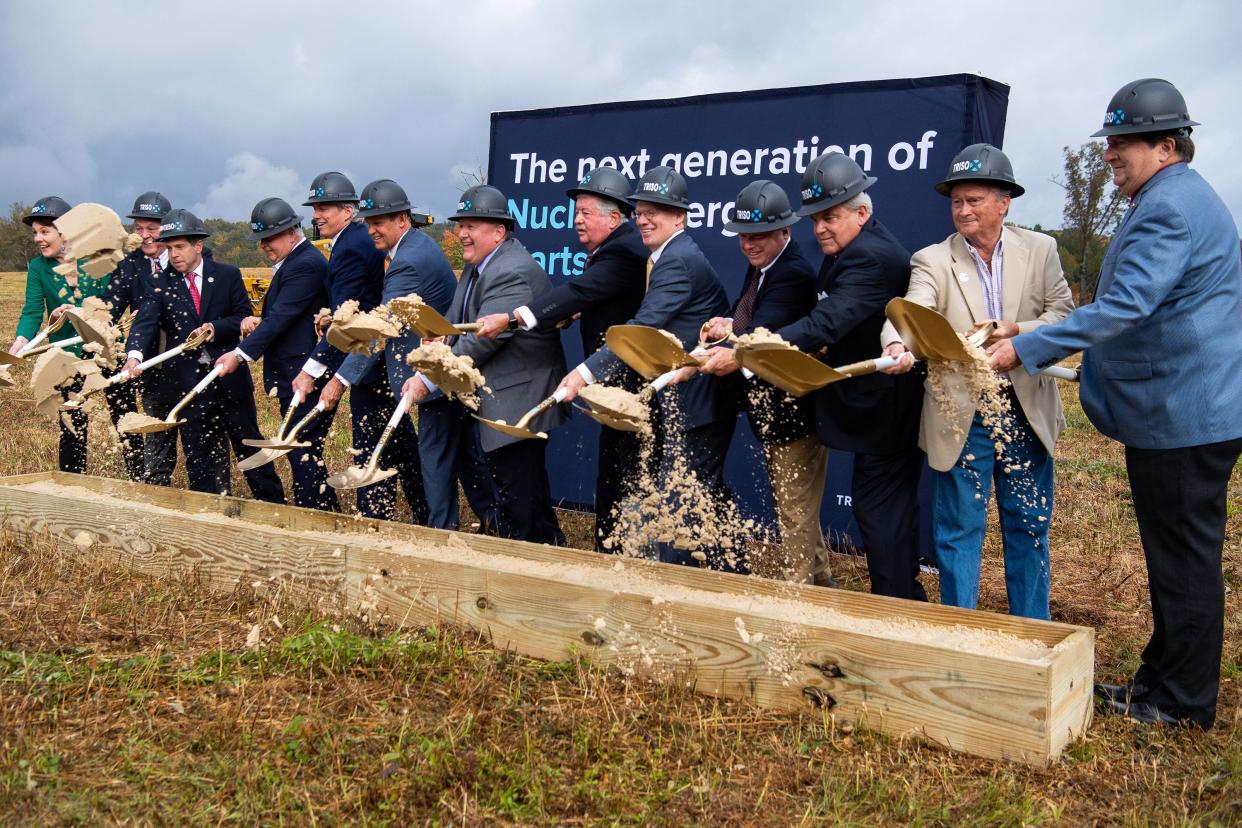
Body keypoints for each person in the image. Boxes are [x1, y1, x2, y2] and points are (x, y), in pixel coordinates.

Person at [992, 79, 1242, 727]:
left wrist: (1029, 350)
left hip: (1184, 415)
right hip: (1187, 409)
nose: (1109, 154)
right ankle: (1159, 684)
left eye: (1123, 142)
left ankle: (1183, 704)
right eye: (1109, 142)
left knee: (1184, 562)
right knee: (1174, 559)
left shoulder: (1169, 207)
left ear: (1166, 145)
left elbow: (1130, 306)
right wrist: (1028, 330)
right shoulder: (1172, 196)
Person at [882, 144, 1073, 618]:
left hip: (1024, 408)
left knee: (1029, 525)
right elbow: (913, 310)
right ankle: (958, 632)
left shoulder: (1041, 250)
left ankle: (1033, 631)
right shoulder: (932, 259)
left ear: (1004, 201)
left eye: (975, 200)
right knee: (958, 531)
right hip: (964, 414)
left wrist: (1019, 336)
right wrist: (897, 344)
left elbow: (1063, 316)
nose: (963, 211)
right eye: (956, 201)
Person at [559, 166, 733, 569]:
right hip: (684, 399)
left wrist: (583, 374)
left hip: (697, 403)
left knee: (680, 509)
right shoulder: (664, 256)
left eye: (657, 210)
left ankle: (678, 596)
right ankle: (732, 576)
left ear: (681, 217)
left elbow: (640, 329)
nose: (644, 218)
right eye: (640, 209)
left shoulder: (678, 261)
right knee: (703, 500)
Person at [473, 166, 647, 550]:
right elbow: (598, 299)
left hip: (629, 385)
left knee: (623, 476)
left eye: (586, 213)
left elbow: (580, 291)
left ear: (614, 217)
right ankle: (609, 550)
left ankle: (617, 554)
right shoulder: (616, 247)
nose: (577, 220)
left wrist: (515, 317)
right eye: (576, 212)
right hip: (615, 385)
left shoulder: (623, 251)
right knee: (616, 473)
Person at [406, 184, 565, 544]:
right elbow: (455, 322)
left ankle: (533, 567)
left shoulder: (512, 270)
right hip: (500, 397)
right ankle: (548, 553)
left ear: (498, 231)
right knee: (523, 494)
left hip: (519, 400)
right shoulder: (478, 266)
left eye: (471, 226)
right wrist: (435, 341)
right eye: (461, 225)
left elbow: (482, 341)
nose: (462, 233)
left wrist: (428, 381)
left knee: (521, 496)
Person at [693, 180, 821, 583]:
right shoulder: (763, 266)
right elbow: (752, 321)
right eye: (743, 236)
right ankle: (820, 585)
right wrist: (729, 324)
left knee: (795, 511)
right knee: (795, 508)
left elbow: (767, 336)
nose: (748, 244)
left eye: (759, 236)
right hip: (771, 412)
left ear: (785, 230)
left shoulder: (793, 274)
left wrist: (733, 355)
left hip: (792, 413)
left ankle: (797, 600)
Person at [124, 209, 285, 503]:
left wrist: (215, 328)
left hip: (229, 379)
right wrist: (134, 356)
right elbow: (144, 323)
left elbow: (241, 316)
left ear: (198, 245)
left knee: (250, 444)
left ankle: (274, 505)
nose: (173, 254)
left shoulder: (226, 275)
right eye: (169, 247)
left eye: (180, 246)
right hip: (188, 385)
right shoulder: (159, 284)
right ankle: (208, 508)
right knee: (199, 453)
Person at [215, 197, 334, 510]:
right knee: (302, 449)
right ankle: (324, 511)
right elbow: (284, 315)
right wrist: (261, 322)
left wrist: (239, 355)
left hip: (306, 374)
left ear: (292, 233)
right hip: (295, 373)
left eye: (270, 238)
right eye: (261, 240)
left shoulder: (305, 264)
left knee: (300, 449)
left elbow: (282, 317)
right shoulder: (295, 262)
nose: (264, 246)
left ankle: (315, 515)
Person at [10, 196, 112, 473]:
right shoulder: (39, 268)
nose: (38, 239)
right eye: (35, 233)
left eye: (45, 231)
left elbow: (111, 303)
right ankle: (72, 480)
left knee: (122, 418)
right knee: (72, 422)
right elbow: (32, 312)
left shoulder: (96, 260)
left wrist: (79, 310)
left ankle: (140, 480)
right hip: (68, 354)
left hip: (106, 349)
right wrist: (19, 344)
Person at [102, 191, 178, 484]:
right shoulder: (129, 264)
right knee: (155, 425)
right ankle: (156, 487)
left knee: (197, 430)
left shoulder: (185, 256)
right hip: (148, 358)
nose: (145, 236)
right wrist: (90, 317)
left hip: (183, 355)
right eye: (139, 229)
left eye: (152, 229)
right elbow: (111, 305)